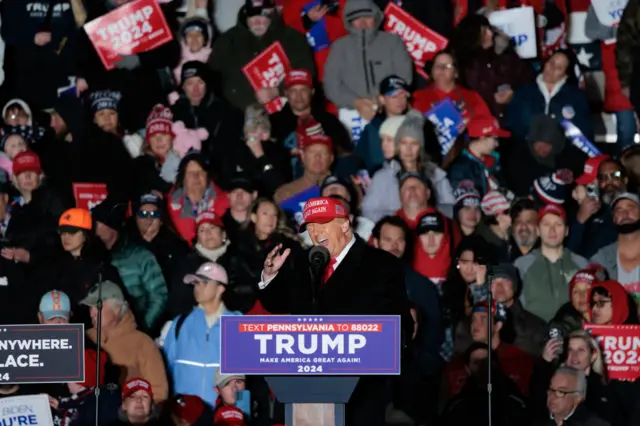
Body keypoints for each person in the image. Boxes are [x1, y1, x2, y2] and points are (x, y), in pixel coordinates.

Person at [257, 196, 413, 425]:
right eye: (310, 227)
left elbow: (401, 326)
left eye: (322, 224)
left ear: (344, 224)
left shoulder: (380, 264)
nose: (316, 233)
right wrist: (270, 277)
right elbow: (278, 304)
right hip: (304, 393)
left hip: (359, 395)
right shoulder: (303, 262)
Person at [209, 0, 316, 110]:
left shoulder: (293, 39)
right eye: (252, 14)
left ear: (272, 13)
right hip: (237, 118)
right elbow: (211, 81)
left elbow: (306, 74)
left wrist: (278, 91)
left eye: (262, 15)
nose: (257, 21)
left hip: (283, 118)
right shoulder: (226, 42)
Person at [162, 262, 242, 406]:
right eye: (195, 283)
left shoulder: (238, 325)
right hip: (186, 414)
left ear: (220, 289)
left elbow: (248, 378)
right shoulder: (179, 323)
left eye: (204, 282)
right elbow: (166, 370)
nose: (197, 287)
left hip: (223, 415)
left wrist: (240, 411)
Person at [323, 0, 413, 120]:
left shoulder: (393, 42)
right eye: (357, 18)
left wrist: (380, 101)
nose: (363, 23)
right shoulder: (339, 47)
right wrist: (356, 102)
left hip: (391, 110)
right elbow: (330, 84)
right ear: (349, 21)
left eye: (367, 17)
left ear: (376, 18)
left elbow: (404, 76)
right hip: (352, 115)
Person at [81, 281, 169, 403]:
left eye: (98, 307)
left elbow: (159, 392)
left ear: (117, 308)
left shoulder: (142, 343)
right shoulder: (84, 338)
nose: (92, 313)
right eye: (90, 308)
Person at [515, 204, 589, 322]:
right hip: (534, 336)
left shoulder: (582, 264)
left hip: (572, 334)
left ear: (566, 231)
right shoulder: (522, 265)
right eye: (546, 224)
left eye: (558, 224)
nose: (552, 230)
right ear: (538, 230)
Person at [534, 367, 608, 426]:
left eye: (561, 391)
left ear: (578, 398)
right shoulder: (537, 420)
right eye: (551, 389)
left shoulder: (596, 424)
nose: (552, 396)